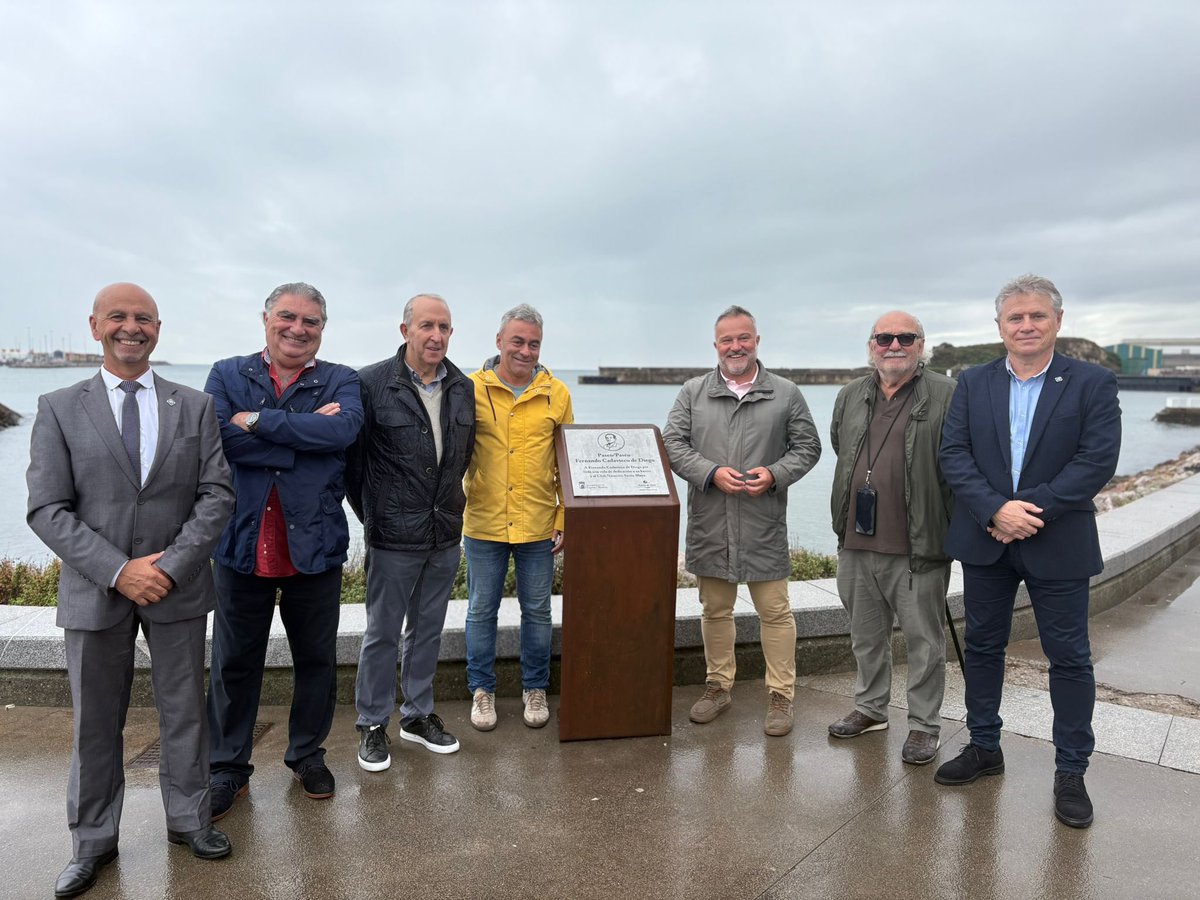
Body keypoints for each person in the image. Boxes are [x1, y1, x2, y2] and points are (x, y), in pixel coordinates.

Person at [27, 283, 235, 898]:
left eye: (143, 318)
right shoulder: (59, 405)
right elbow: (47, 509)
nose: (131, 327)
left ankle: (189, 819)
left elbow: (217, 494)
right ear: (95, 326)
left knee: (184, 712)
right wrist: (121, 570)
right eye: (118, 317)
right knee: (95, 722)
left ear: (158, 329)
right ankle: (92, 843)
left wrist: (169, 566)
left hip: (178, 587)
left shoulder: (194, 406)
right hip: (96, 591)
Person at [934, 274, 1121, 829]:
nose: (1027, 325)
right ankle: (985, 747)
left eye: (1037, 316)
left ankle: (1071, 772)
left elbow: (1096, 461)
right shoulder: (973, 382)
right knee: (984, 646)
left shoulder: (1092, 382)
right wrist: (994, 510)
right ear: (999, 327)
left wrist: (1024, 512)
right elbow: (954, 454)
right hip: (986, 541)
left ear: (1057, 322)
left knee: (1069, 658)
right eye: (1015, 318)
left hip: (1058, 540)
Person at [204, 282, 363, 818]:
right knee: (233, 662)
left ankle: (307, 755)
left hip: (314, 542)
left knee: (316, 659)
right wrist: (305, 433)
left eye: (311, 321)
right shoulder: (227, 373)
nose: (298, 328)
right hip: (242, 539)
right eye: (288, 317)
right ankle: (227, 768)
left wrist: (262, 421)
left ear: (323, 328)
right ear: (265, 318)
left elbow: (341, 435)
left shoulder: (341, 379)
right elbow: (224, 442)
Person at [663, 305, 821, 736]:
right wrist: (711, 473)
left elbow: (807, 448)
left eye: (743, 338)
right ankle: (718, 687)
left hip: (763, 522)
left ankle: (781, 695)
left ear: (756, 341)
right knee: (715, 609)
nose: (736, 346)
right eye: (727, 340)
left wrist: (775, 474)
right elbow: (672, 443)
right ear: (716, 346)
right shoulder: (692, 392)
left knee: (775, 610)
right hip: (711, 522)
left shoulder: (786, 393)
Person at [347, 293, 476, 770]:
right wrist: (375, 516)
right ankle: (371, 724)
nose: (436, 335)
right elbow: (353, 466)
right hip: (393, 534)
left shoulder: (463, 387)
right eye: (426, 326)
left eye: (444, 327)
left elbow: (462, 456)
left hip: (444, 530)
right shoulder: (371, 383)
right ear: (405, 331)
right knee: (382, 633)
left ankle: (417, 716)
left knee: (427, 630)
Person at [827, 312, 956, 765]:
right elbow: (842, 450)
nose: (894, 344)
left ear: (922, 344)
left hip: (919, 546)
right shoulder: (850, 395)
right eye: (884, 337)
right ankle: (870, 708)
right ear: (871, 345)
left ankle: (923, 726)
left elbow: (960, 464)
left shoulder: (946, 393)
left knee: (924, 643)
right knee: (865, 636)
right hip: (857, 542)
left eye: (905, 337)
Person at [463, 304, 574, 731]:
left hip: (538, 523)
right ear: (499, 341)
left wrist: (563, 515)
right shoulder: (470, 388)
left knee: (538, 611)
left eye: (533, 343)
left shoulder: (557, 393)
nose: (525, 351)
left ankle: (535, 687)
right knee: (480, 610)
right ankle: (482, 690)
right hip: (484, 521)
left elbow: (567, 464)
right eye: (518, 341)